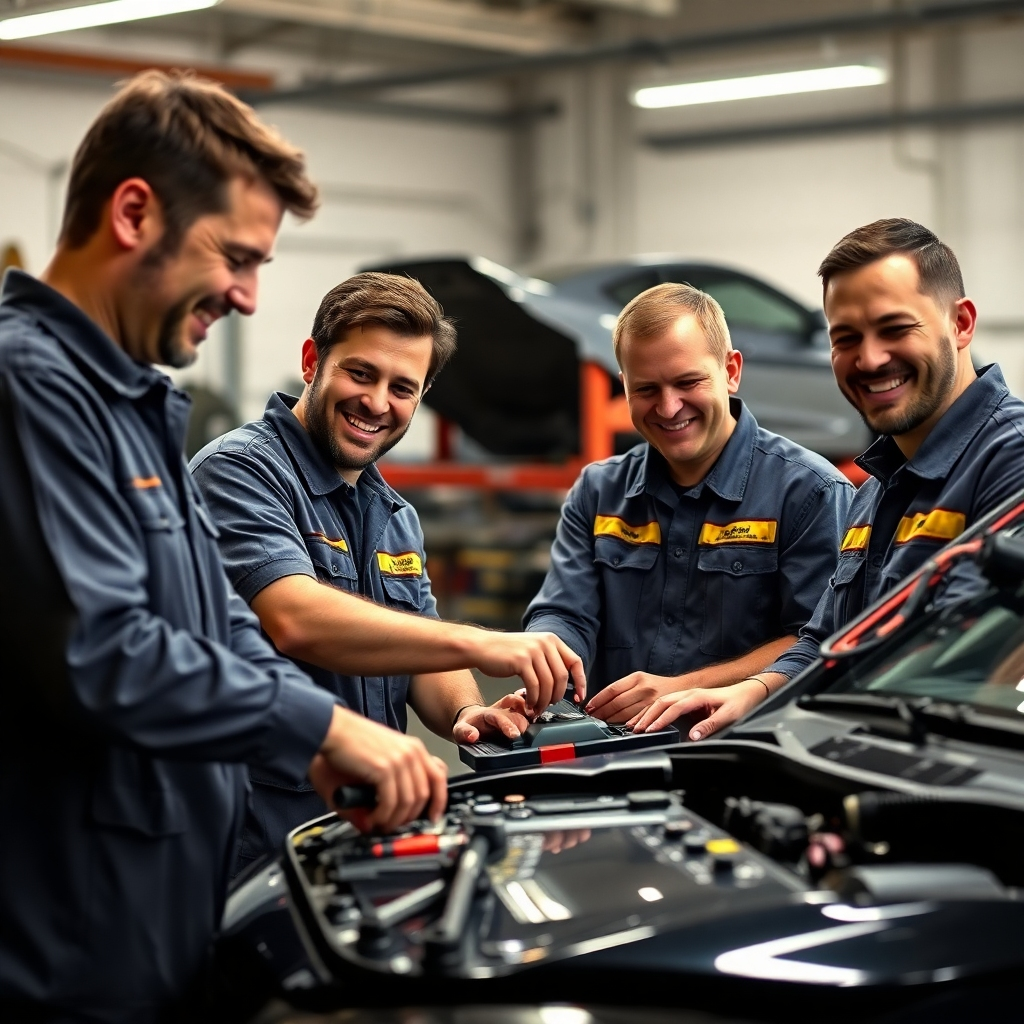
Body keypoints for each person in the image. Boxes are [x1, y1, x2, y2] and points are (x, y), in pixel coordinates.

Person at [0, 71, 448, 1024]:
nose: (248, 297)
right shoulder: (26, 389)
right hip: (65, 943)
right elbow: (103, 648)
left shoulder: (138, 406)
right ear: (134, 213)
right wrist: (321, 723)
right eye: (235, 257)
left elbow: (221, 626)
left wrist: (316, 736)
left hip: (162, 920)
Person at [190, 272, 584, 870]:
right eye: (360, 372)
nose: (377, 403)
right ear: (311, 361)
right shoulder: (239, 473)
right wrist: (480, 641)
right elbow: (295, 618)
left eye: (404, 387)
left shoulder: (394, 513)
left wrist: (463, 713)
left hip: (365, 838)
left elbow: (418, 652)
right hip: (254, 845)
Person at [630, 218, 1024, 741]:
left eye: (895, 328)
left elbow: (956, 660)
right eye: (846, 338)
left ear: (961, 323)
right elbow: (826, 639)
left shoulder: (1009, 458)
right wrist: (752, 690)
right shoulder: (875, 490)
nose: (870, 358)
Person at [523, 282, 854, 727]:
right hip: (613, 754)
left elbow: (819, 640)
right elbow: (564, 613)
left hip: (743, 754)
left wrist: (683, 687)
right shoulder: (598, 491)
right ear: (623, 386)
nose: (668, 406)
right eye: (646, 389)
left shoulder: (811, 493)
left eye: (688, 382)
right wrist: (544, 664)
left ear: (731, 371)